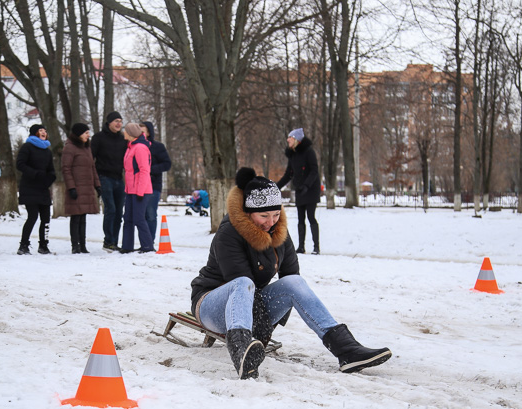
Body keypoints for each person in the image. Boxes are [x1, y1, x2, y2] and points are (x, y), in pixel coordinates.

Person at [190, 167, 391, 379]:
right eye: (264, 216)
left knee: (294, 281)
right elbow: (237, 279)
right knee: (243, 283)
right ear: (248, 212)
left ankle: (346, 350)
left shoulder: (278, 232)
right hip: (211, 304)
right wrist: (260, 327)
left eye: (276, 214)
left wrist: (265, 324)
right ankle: (241, 353)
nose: (271, 222)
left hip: (251, 307)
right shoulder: (229, 232)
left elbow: (291, 276)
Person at [277, 128, 321, 254]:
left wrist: (307, 185)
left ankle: (316, 247)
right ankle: (301, 247)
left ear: (296, 139)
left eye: (290, 137)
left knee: (311, 217)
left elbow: (314, 171)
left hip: (310, 189)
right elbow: (288, 174)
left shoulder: (309, 152)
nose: (288, 140)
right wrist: (276, 186)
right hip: (300, 190)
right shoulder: (293, 155)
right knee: (300, 218)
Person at [16, 124, 56, 255]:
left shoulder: (47, 150)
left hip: (43, 187)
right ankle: (23, 245)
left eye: (45, 130)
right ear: (34, 133)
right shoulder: (27, 147)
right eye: (41, 131)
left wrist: (50, 177)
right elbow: (20, 164)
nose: (44, 133)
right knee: (32, 216)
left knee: (46, 217)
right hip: (29, 187)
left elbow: (51, 169)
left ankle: (43, 245)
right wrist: (35, 174)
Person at [91, 111, 127, 251]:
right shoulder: (99, 138)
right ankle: (108, 241)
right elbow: (91, 158)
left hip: (119, 178)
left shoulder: (123, 139)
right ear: (109, 123)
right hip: (104, 177)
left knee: (119, 212)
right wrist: (95, 179)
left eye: (120, 121)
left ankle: (114, 242)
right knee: (110, 209)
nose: (119, 124)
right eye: (116, 121)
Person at [63, 123, 101, 254]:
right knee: (76, 217)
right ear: (79, 134)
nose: (88, 135)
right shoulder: (69, 148)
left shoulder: (87, 148)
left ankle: (83, 245)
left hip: (87, 187)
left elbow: (92, 168)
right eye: (86, 133)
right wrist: (71, 187)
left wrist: (97, 185)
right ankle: (75, 245)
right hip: (76, 187)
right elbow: (66, 169)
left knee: (83, 217)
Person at [120, 122, 153, 253]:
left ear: (131, 133)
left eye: (126, 131)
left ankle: (147, 246)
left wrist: (140, 191)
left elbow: (144, 170)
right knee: (127, 218)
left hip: (141, 190)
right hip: (130, 190)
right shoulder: (130, 147)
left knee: (139, 219)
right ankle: (127, 246)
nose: (124, 133)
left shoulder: (140, 148)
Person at [139, 121, 172, 242]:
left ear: (149, 132)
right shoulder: (134, 146)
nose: (141, 134)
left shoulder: (157, 147)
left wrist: (150, 170)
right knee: (140, 216)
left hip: (153, 185)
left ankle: (149, 241)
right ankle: (143, 241)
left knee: (151, 214)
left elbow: (167, 164)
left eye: (143, 131)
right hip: (139, 186)